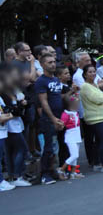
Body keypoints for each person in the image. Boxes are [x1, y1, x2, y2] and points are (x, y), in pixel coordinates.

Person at [34, 54, 69, 185]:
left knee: (60, 146)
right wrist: (53, 119)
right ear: (42, 65)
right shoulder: (41, 81)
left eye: (54, 62)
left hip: (60, 118)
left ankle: (57, 170)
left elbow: (58, 98)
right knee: (49, 148)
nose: (53, 64)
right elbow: (43, 102)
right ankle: (45, 174)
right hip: (49, 120)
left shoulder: (55, 80)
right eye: (49, 62)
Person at [79, 64, 103, 173]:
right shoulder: (85, 86)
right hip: (95, 118)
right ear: (85, 74)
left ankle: (97, 163)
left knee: (99, 141)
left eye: (94, 71)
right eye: (90, 72)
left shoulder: (94, 85)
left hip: (101, 117)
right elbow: (98, 98)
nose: (93, 74)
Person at [60, 94, 84, 179]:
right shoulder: (65, 114)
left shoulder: (75, 112)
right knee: (74, 155)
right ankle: (62, 169)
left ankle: (73, 173)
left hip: (77, 135)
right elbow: (62, 125)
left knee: (75, 155)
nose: (78, 106)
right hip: (70, 136)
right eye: (76, 105)